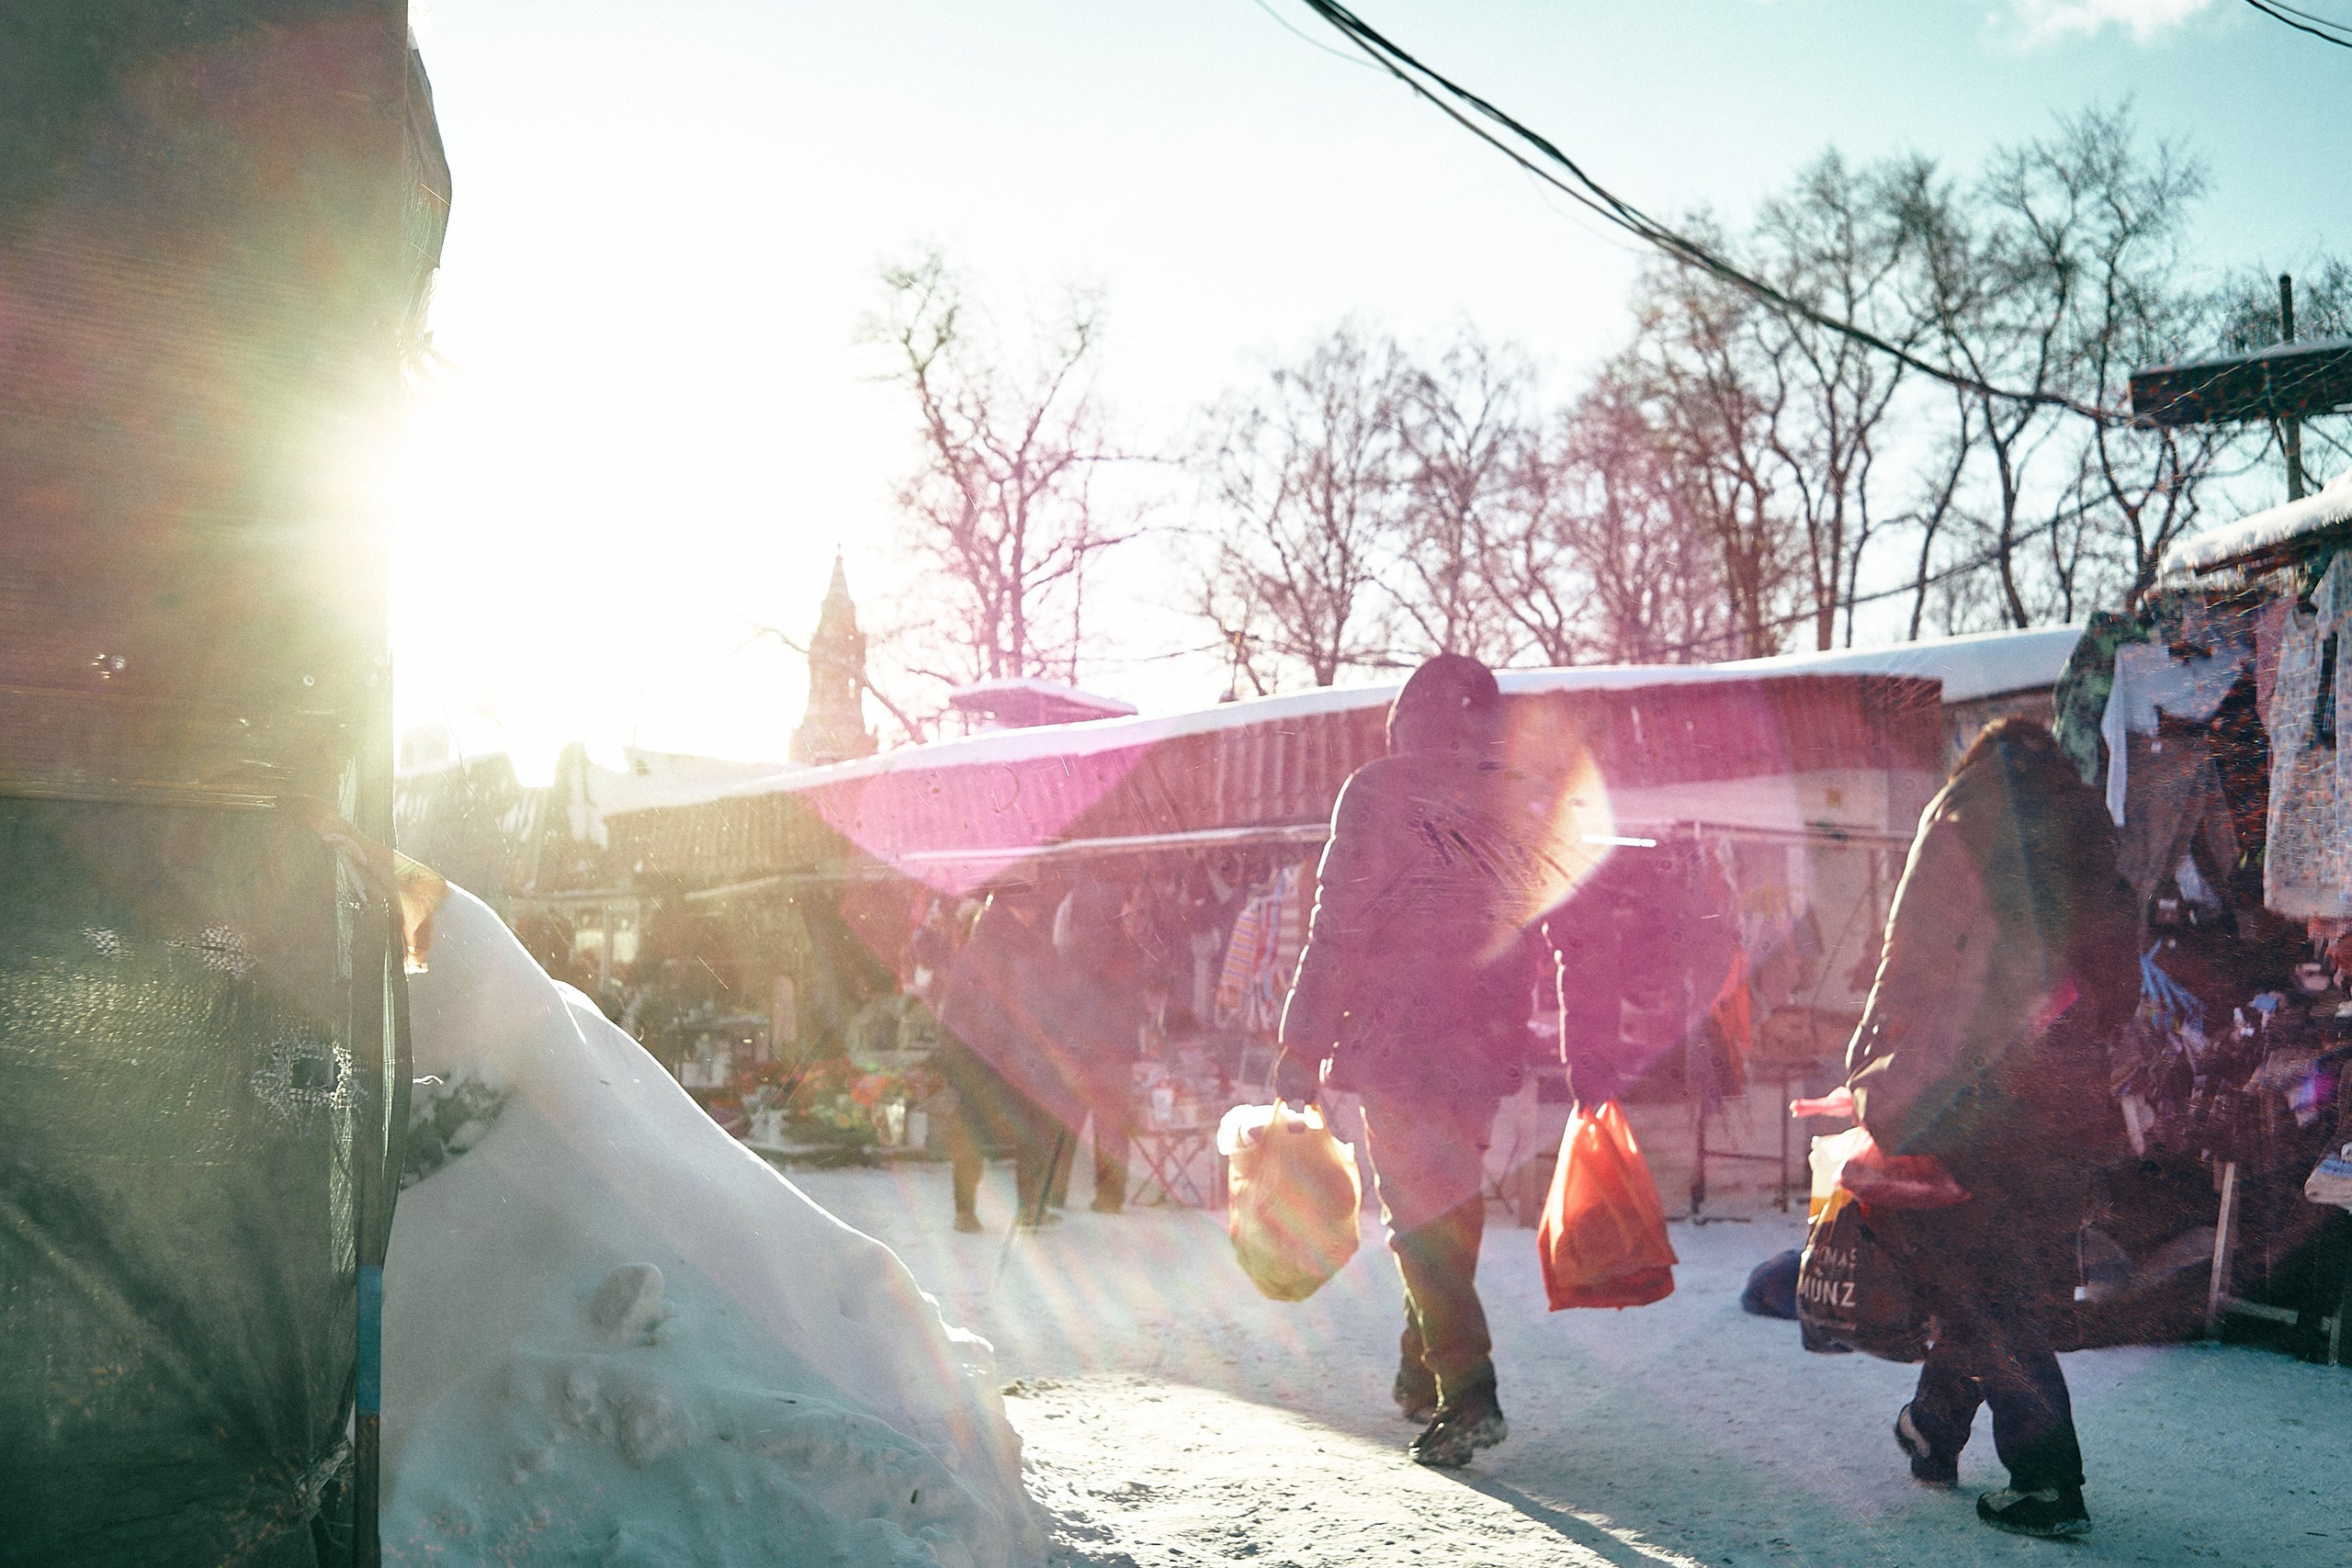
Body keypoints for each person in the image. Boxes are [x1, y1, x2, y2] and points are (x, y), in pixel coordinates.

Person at [1840, 717, 2137, 1540]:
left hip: (1981, 1082)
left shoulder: (1963, 810)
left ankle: (2046, 1481)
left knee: (1984, 1279)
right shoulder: (2085, 823)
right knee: (1998, 1271)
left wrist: (1872, 1055)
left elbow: (1914, 950)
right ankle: (1933, 1427)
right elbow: (2119, 967)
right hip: (2070, 1085)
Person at [1277, 653, 1571, 1468]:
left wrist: (1301, 1043)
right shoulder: (1519, 797)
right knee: (1450, 1204)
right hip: (1483, 1042)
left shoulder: (1376, 790)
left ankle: (1468, 1392)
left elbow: (1337, 925)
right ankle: (1421, 1367)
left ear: (1406, 722)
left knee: (1420, 1218)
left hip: (1397, 1038)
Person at [935, 886, 1087, 1233]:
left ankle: (969, 1211)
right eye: (1025, 907)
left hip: (984, 1057)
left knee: (979, 1133)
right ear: (1011, 909)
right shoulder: (1023, 948)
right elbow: (1032, 1007)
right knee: (1026, 1134)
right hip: (1010, 1058)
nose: (1031, 913)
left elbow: (955, 1008)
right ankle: (1024, 1209)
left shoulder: (980, 946)